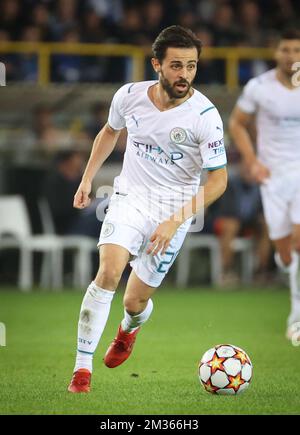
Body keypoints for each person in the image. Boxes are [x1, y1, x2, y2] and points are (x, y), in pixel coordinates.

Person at [67, 25, 228, 393]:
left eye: (191, 66)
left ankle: (129, 328)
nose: (184, 75)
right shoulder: (129, 96)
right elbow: (110, 132)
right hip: (129, 198)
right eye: (176, 66)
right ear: (156, 63)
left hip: (175, 210)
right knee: (108, 272)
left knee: (135, 300)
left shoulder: (205, 115)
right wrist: (87, 179)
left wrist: (174, 221)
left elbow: (218, 181)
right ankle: (81, 370)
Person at [229, 29, 300, 340]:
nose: (291, 55)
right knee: (284, 250)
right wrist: (252, 161)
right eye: (286, 49)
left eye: (297, 49)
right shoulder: (259, 87)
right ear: (276, 53)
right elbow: (236, 123)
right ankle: (284, 264)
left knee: (298, 242)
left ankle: (296, 318)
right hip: (272, 177)